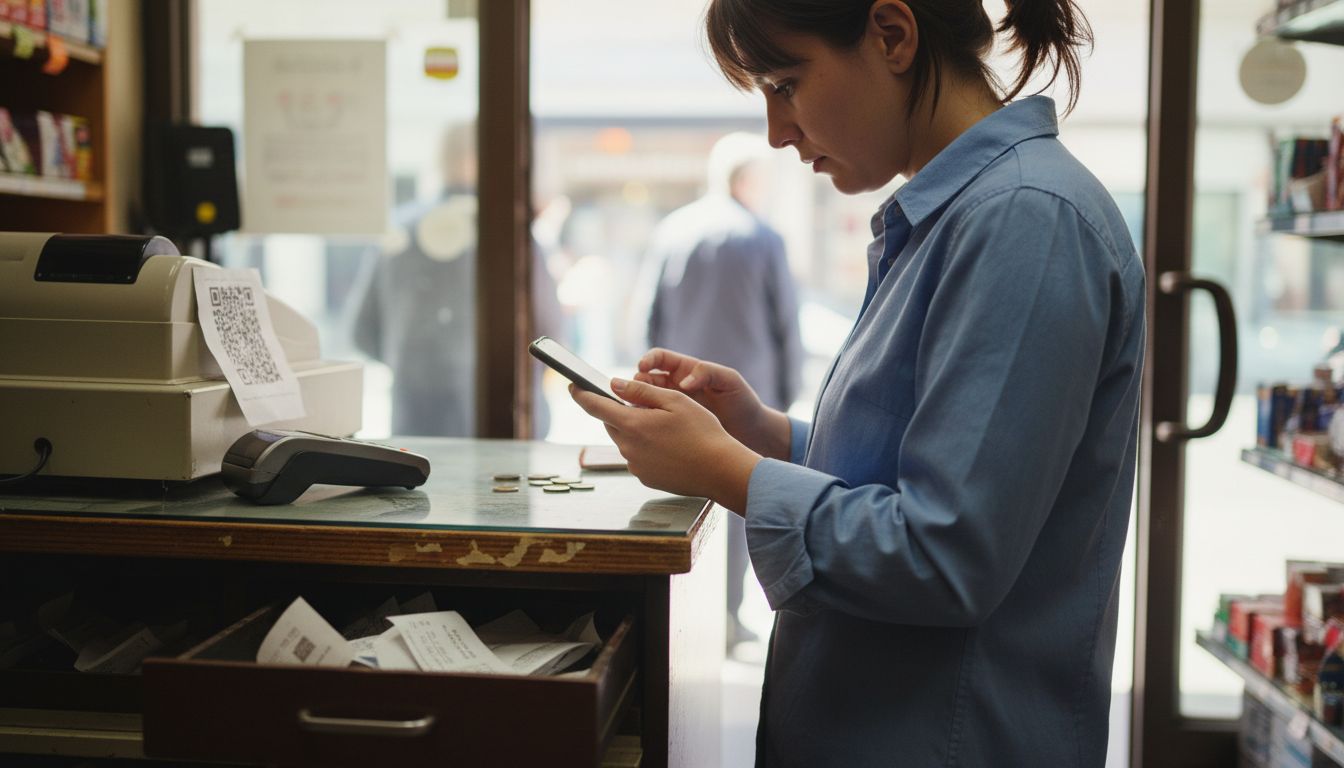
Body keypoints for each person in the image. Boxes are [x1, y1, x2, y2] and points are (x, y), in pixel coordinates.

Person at [570, 1, 1145, 766]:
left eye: (785, 83)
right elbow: (923, 460)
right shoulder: (961, 213)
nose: (777, 131)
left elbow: (945, 556)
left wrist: (724, 470)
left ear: (893, 36)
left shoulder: (1024, 219)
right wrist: (762, 432)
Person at [644, 131, 804, 651]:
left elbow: (649, 315)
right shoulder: (763, 238)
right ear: (746, 179)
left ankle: (679, 624)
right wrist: (783, 399)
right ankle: (728, 620)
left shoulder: (673, 230)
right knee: (738, 508)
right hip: (744, 396)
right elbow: (785, 324)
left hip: (679, 391)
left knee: (681, 506)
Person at [350, 123, 564, 439]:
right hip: (507, 422)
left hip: (417, 420)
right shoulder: (514, 234)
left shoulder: (399, 233)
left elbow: (362, 332)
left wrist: (414, 365)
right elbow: (550, 335)